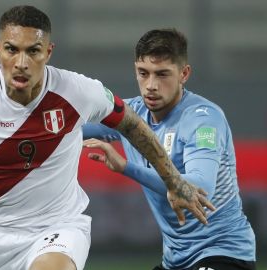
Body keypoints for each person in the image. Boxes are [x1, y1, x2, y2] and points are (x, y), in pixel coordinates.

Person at [0, 7, 214, 270]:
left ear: (48, 53)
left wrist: (174, 181)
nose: (22, 62)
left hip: (59, 227)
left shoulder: (77, 91)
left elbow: (132, 124)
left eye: (33, 51)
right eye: (12, 49)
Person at [83, 28, 256, 270]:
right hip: (175, 261)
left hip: (222, 253)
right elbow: (68, 128)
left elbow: (200, 187)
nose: (151, 85)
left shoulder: (203, 120)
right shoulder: (131, 116)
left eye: (162, 74)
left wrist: (125, 167)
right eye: (143, 73)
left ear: (184, 73)